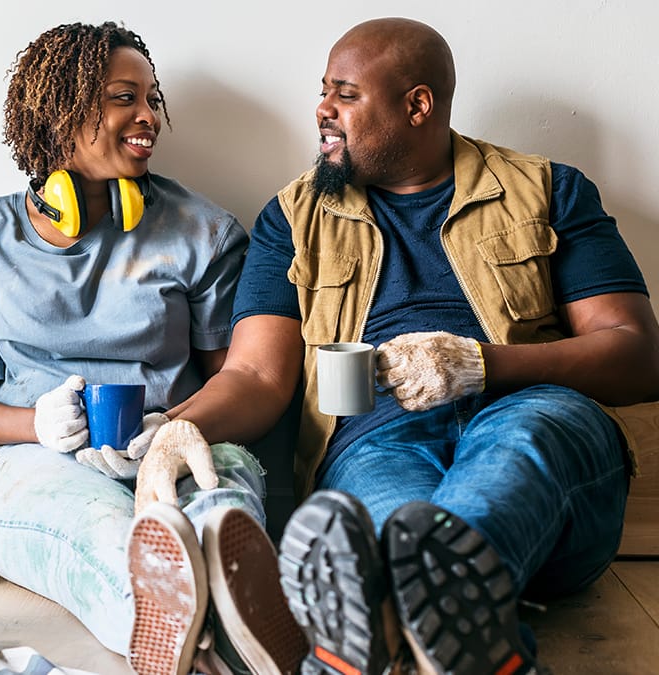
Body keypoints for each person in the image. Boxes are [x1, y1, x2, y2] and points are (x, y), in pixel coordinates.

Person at [134, 16, 659, 675]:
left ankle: (376, 625)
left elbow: (638, 354)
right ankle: (453, 634)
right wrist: (176, 429)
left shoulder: (548, 190)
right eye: (323, 90)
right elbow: (256, 375)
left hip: (535, 425)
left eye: (346, 94)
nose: (322, 109)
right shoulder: (292, 219)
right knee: (377, 533)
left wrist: (479, 365)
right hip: (375, 446)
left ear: (418, 105)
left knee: (515, 449)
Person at [0, 21, 306, 675]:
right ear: (58, 110)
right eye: (122, 97)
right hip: (38, 465)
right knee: (110, 539)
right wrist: (37, 425)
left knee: (221, 500)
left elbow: (237, 379)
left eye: (152, 99)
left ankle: (237, 601)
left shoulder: (202, 231)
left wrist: (176, 429)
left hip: (179, 439)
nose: (148, 116)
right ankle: (175, 619)